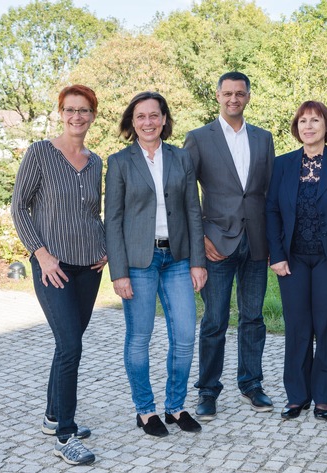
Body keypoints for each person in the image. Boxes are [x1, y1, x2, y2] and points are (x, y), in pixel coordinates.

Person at [11, 85, 106, 465]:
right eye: (70, 110)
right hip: (53, 267)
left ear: (92, 115)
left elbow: (93, 214)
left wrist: (105, 249)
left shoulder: (96, 160)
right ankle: (65, 435)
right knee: (70, 346)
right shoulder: (40, 153)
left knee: (69, 343)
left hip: (89, 267)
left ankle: (53, 416)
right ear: (60, 113)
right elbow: (19, 208)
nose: (76, 116)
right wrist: (41, 254)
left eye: (84, 110)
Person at [105, 91, 206, 437]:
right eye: (140, 117)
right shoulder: (119, 162)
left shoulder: (181, 158)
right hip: (138, 262)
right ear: (132, 123)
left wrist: (198, 261)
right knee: (140, 337)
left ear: (164, 119)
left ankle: (175, 406)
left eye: (154, 115)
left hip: (177, 259)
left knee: (184, 335)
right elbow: (113, 220)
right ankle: (145, 410)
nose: (148, 122)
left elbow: (194, 210)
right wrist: (118, 272)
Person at [183, 72, 276, 421]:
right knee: (215, 320)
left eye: (240, 93)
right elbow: (186, 196)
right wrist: (201, 238)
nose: (233, 99)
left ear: (248, 96)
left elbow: (267, 194)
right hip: (216, 245)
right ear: (218, 96)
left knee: (253, 318)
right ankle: (208, 390)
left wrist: (271, 242)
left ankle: (252, 384)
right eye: (227, 93)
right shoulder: (198, 139)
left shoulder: (263, 138)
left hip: (255, 243)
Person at [266, 101, 327, 421]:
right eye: (303, 121)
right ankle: (297, 396)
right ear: (297, 128)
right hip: (292, 258)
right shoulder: (282, 165)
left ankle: (324, 396)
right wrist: (277, 255)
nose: (308, 126)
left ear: (326, 126)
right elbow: (271, 212)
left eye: (315, 120)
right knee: (297, 326)